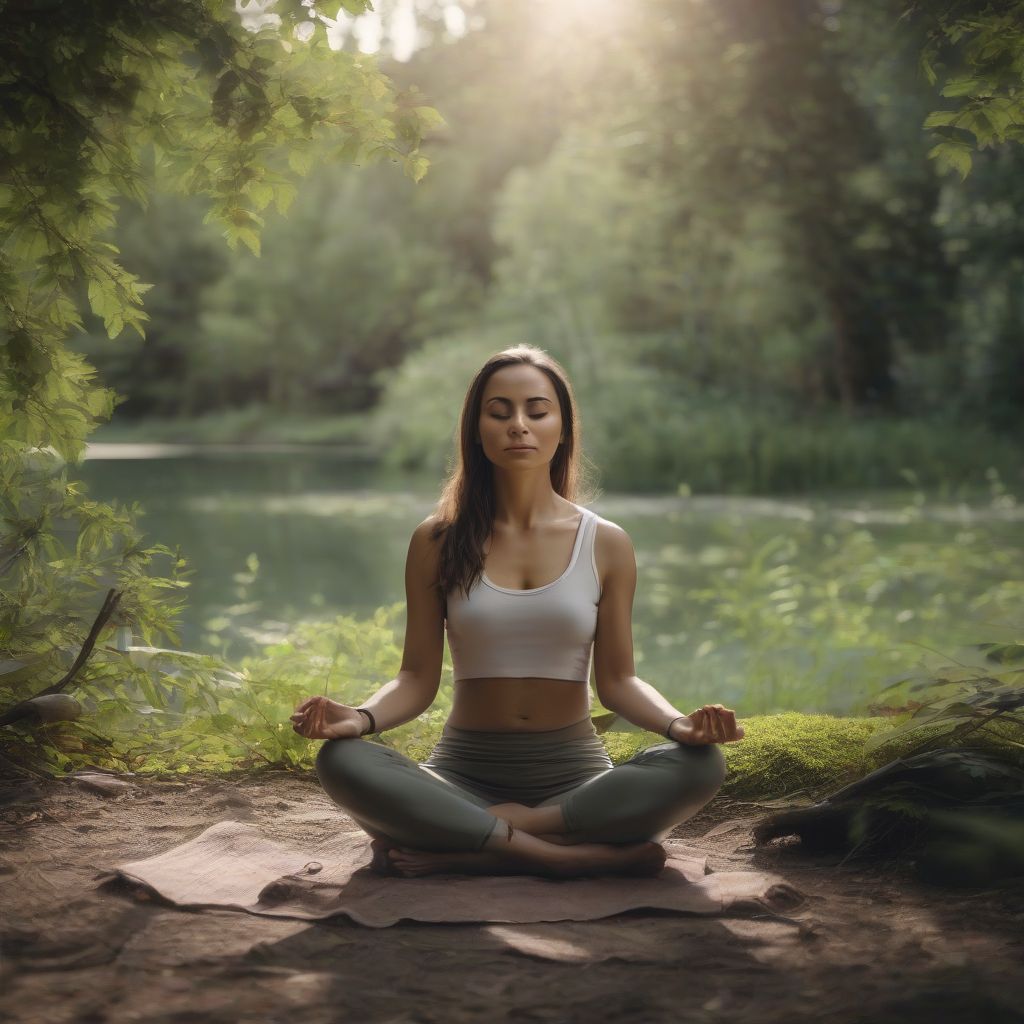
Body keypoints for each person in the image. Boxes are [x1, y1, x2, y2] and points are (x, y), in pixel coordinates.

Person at [291, 345, 745, 879]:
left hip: (577, 781)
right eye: (499, 412)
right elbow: (415, 678)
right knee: (343, 759)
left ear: (562, 426)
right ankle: (560, 858)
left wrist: (679, 726)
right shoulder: (437, 540)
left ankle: (475, 839)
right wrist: (360, 718)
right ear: (476, 429)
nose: (519, 426)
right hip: (460, 774)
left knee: (699, 766)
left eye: (537, 410)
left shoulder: (607, 543)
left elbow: (619, 681)